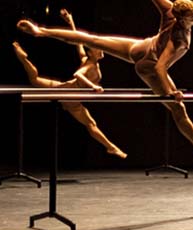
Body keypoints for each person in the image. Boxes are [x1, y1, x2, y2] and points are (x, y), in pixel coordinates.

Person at [17, 0, 193, 167]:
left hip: (141, 48)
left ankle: (41, 31)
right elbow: (159, 68)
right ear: (183, 19)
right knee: (178, 110)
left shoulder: (169, 10)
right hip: (148, 64)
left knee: (92, 39)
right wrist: (171, 93)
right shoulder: (179, 39)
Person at [13, 9, 127, 158]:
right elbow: (78, 74)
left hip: (64, 88)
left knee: (35, 79)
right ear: (91, 53)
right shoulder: (90, 65)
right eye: (97, 48)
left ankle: (23, 58)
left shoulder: (86, 59)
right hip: (71, 95)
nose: (101, 50)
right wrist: (93, 86)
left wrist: (70, 21)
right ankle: (110, 147)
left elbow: (78, 41)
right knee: (90, 124)